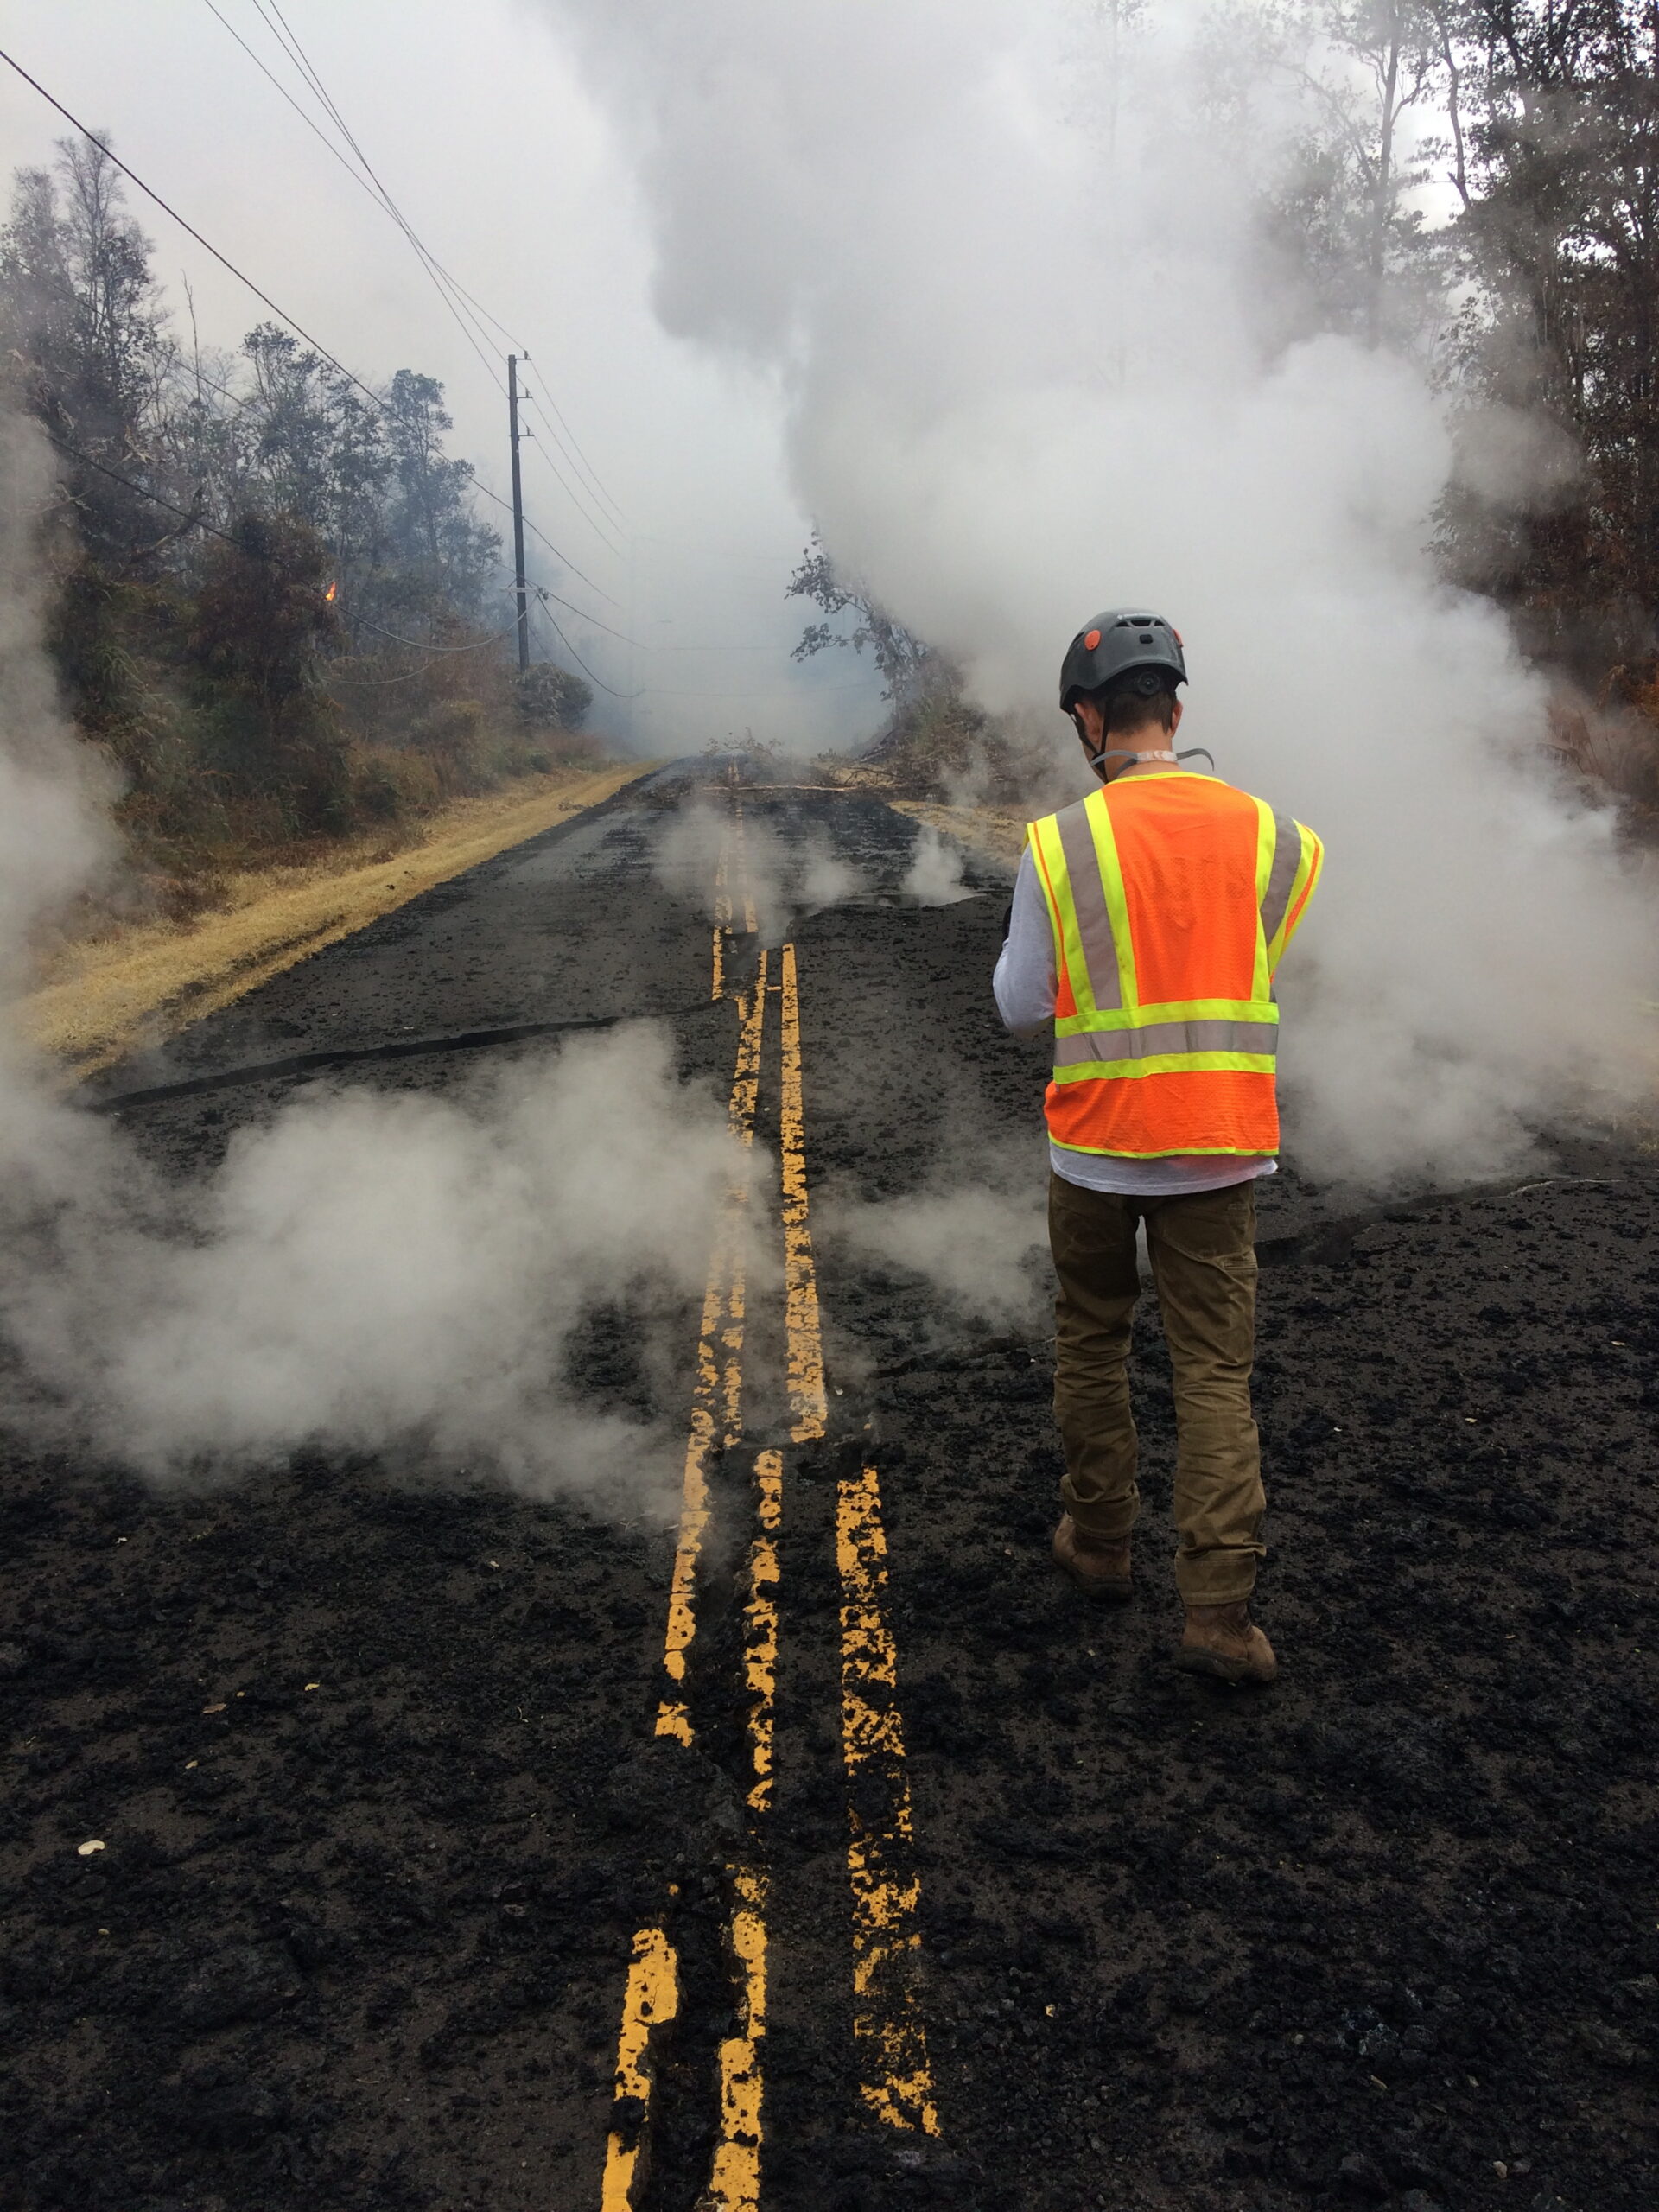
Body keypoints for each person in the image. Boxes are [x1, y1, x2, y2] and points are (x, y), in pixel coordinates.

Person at [994, 612, 1322, 1683]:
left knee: (1093, 1339)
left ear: (1091, 719)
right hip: (1222, 1150)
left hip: (1094, 1149)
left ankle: (1098, 1545)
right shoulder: (1276, 836)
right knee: (1215, 1375)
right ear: (1176, 711)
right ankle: (1221, 1617)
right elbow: (1245, 953)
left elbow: (1016, 1006)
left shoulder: (1060, 843)